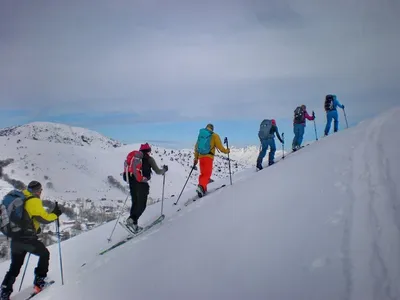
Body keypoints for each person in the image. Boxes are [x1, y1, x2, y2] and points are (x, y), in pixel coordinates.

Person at [1, 181, 62, 300]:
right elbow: (44, 218)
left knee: (15, 267)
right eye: (40, 190)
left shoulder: (23, 196)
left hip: (15, 239)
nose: (41, 193)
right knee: (44, 254)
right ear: (38, 190)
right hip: (27, 239)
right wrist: (55, 214)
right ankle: (40, 282)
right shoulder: (34, 201)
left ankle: (5, 291)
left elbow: (28, 217)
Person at [123, 143, 168, 232]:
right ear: (148, 151)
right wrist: (164, 170)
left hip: (132, 181)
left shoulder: (134, 158)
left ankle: (133, 223)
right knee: (142, 204)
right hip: (141, 183)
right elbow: (158, 171)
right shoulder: (149, 159)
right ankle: (132, 221)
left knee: (135, 202)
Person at [193, 124, 230, 198]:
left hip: (201, 157)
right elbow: (220, 147)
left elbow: (196, 147)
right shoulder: (214, 135)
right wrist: (226, 151)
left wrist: (196, 158)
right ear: (212, 129)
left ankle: (203, 189)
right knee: (207, 174)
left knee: (203, 173)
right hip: (208, 157)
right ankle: (201, 187)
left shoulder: (201, 136)